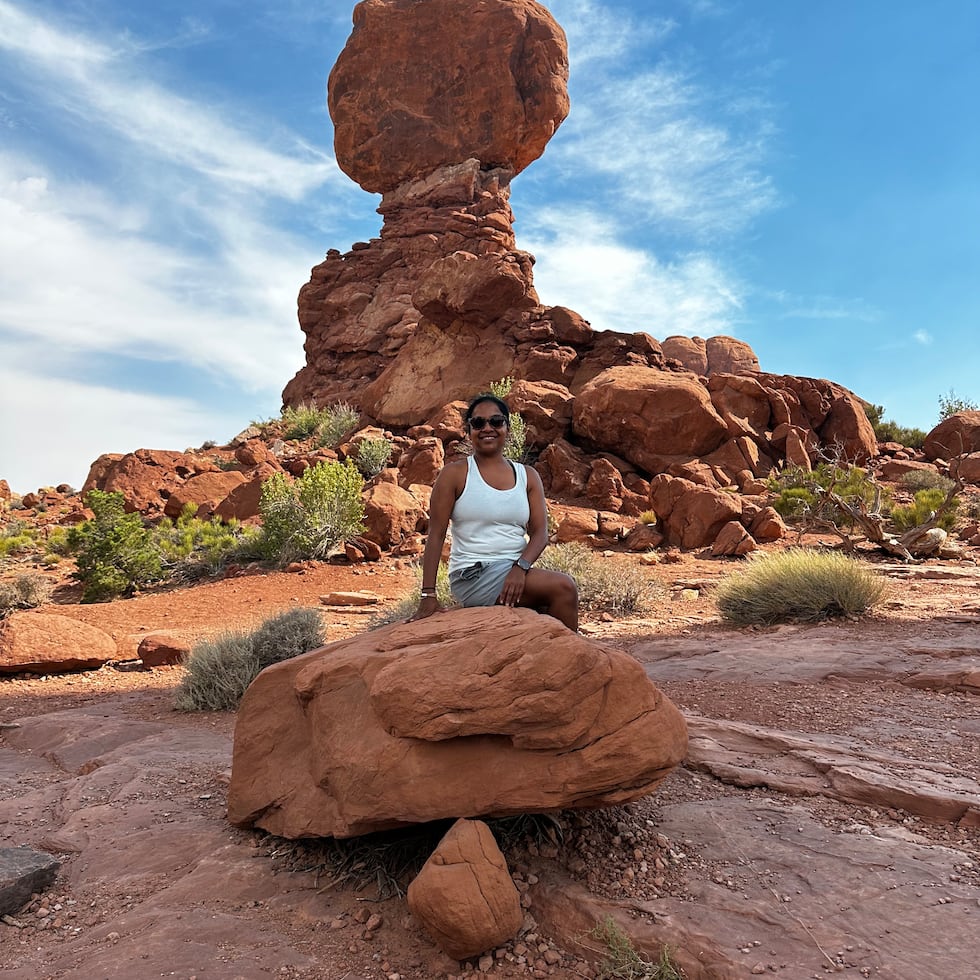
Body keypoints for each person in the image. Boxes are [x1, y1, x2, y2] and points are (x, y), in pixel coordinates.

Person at [409, 394, 578, 631]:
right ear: (469, 431)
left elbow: (540, 533)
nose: (487, 428)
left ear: (508, 428)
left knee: (548, 613)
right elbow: (436, 534)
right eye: (478, 423)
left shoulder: (527, 476)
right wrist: (428, 595)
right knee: (564, 588)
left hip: (516, 569)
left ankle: (563, 660)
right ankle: (572, 663)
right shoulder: (455, 474)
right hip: (473, 574)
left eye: (496, 422)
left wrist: (521, 568)